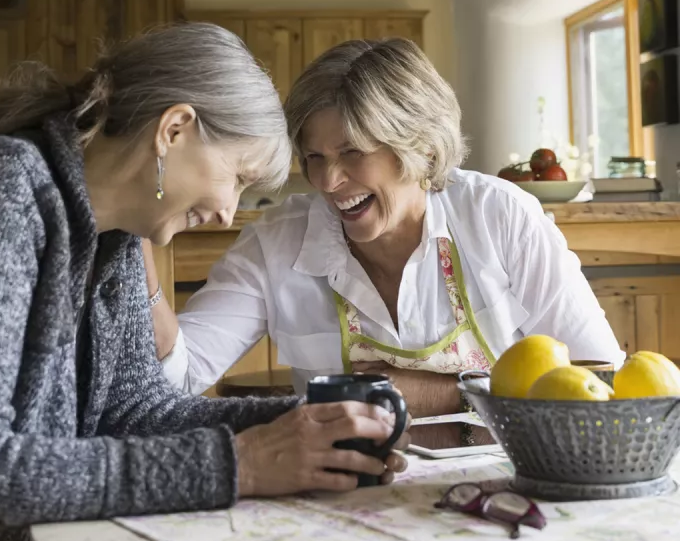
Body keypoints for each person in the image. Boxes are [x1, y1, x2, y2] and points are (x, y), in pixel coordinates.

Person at [0, 23, 409, 541]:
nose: (227, 212)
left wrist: (305, 424)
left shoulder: (117, 238)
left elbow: (133, 411)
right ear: (174, 129)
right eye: (235, 177)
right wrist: (238, 463)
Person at [155, 37, 625, 432]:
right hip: (350, 503)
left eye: (353, 152)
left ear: (417, 145)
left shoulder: (499, 216)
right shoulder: (276, 243)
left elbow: (602, 379)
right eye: (314, 157)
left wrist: (444, 393)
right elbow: (180, 374)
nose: (327, 180)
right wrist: (135, 240)